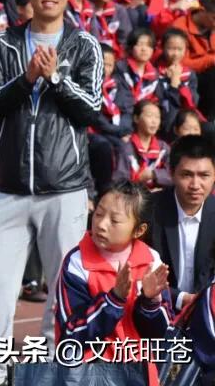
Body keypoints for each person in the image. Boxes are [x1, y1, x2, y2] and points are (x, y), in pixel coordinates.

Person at [0, 0, 104, 386]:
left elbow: (91, 110)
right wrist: (26, 78)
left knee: (63, 292)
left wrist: (54, 79)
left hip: (64, 187)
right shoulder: (5, 43)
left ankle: (52, 371)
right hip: (9, 187)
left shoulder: (83, 44)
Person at [54, 181, 173, 380]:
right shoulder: (77, 262)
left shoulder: (151, 261)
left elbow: (161, 334)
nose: (101, 224)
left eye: (114, 220)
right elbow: (72, 333)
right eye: (99, 213)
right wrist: (114, 300)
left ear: (138, 230)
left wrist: (150, 302)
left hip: (138, 373)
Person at [145, 135, 215, 312]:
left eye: (204, 175)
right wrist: (181, 298)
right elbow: (139, 272)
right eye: (186, 175)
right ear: (171, 173)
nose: (195, 185)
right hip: (157, 309)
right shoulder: (148, 211)